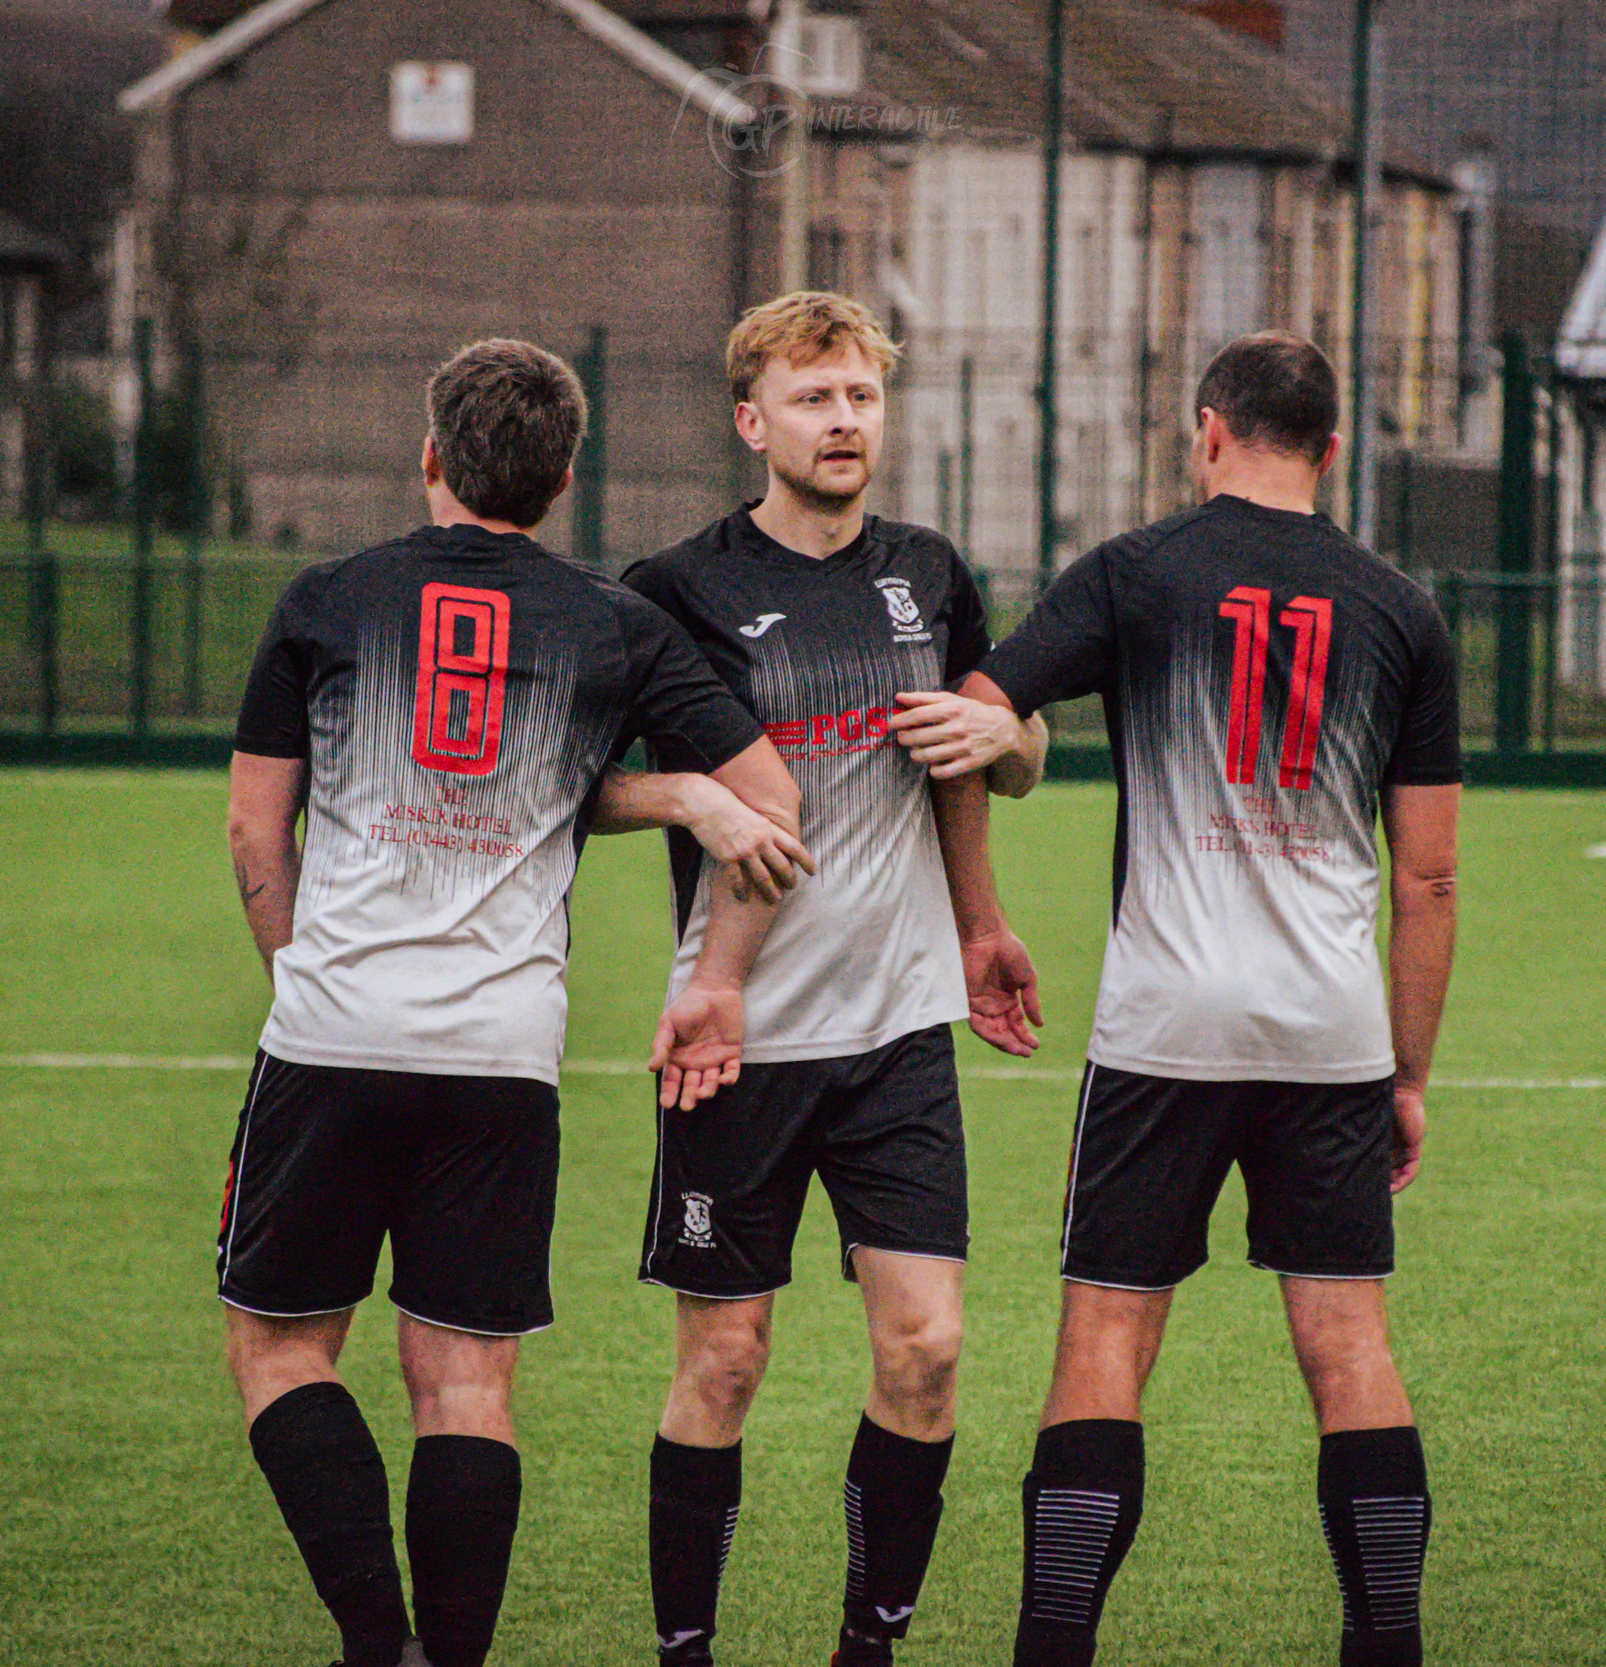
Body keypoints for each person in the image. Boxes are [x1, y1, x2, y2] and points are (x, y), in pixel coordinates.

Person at [218, 338, 805, 1667]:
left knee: (281, 1355)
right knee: (468, 1385)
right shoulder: (615, 624)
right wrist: (680, 796)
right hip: (500, 1058)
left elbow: (258, 831)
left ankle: (377, 1643)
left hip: (331, 1034)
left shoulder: (327, 599)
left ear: (430, 456)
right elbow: (772, 804)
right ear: (564, 480)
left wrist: (304, 986)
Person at [951, 331, 1462, 1667]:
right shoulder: (1402, 612)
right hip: (1330, 1033)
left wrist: (985, 892)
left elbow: (971, 717)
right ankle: (1388, 1645)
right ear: (1332, 451)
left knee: (1106, 1337)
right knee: (1347, 1346)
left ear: (1208, 432)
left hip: (1163, 1025)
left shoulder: (1135, 571)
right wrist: (1407, 1075)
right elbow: (1430, 880)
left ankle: (1053, 1646)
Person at [589, 291, 1048, 1667]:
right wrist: (691, 798)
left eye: (860, 397)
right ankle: (685, 1651)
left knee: (927, 1351)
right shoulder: (676, 590)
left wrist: (984, 901)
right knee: (724, 1363)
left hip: (898, 1030)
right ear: (752, 422)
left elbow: (989, 755)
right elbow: (573, 790)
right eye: (812, 399)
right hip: (735, 1040)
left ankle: (868, 1646)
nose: (843, 422)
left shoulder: (931, 573)